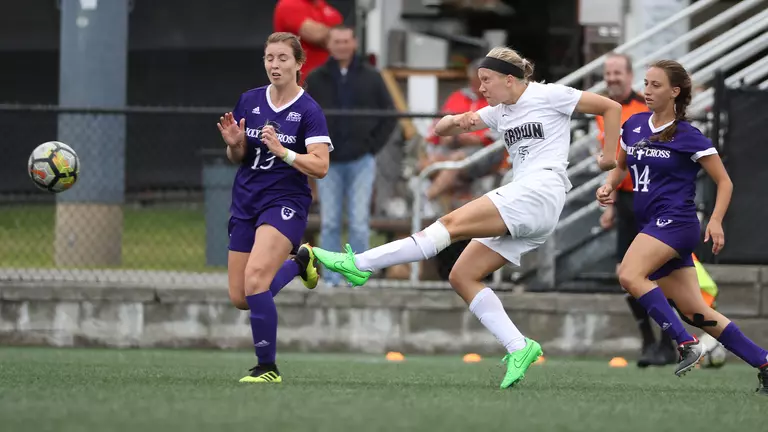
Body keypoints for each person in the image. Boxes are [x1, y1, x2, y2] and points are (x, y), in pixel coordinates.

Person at [311, 46, 622, 389]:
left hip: (541, 191)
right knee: (462, 276)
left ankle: (361, 264)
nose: (482, 87)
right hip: (530, 201)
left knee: (449, 226)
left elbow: (611, 107)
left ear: (509, 78)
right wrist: (457, 121)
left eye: (487, 80)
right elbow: (445, 129)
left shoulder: (549, 94)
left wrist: (609, 157)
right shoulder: (497, 111)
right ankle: (519, 346)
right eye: (480, 81)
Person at [596, 60, 768, 394]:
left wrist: (716, 221)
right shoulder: (632, 125)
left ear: (675, 92)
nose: (647, 90)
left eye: (655, 85)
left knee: (629, 275)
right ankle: (764, 362)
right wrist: (608, 186)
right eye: (645, 83)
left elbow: (725, 182)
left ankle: (685, 343)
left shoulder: (689, 136)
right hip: (653, 224)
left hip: (677, 223)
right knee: (695, 310)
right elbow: (620, 166)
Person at [217, 32, 332, 383]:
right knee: (241, 296)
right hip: (246, 201)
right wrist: (235, 146)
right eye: (269, 58)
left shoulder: (308, 111)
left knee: (256, 279)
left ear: (298, 64)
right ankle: (301, 262)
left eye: (283, 58)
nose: (275, 65)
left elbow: (321, 166)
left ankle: (267, 367)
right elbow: (236, 157)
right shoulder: (249, 101)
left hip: (285, 202)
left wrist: (284, 152)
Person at [595, 52, 678, 367]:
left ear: (629, 76)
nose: (613, 78)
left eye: (618, 72)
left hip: (652, 197)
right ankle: (648, 342)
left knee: (659, 275)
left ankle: (669, 343)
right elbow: (617, 159)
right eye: (609, 73)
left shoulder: (645, 108)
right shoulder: (603, 110)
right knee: (624, 275)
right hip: (626, 201)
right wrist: (610, 202)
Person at [305, 25, 396, 287]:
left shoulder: (372, 77)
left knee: (359, 221)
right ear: (329, 44)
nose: (342, 45)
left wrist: (371, 146)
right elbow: (306, 116)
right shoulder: (317, 78)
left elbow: (389, 115)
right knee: (330, 221)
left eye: (346, 41)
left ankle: (356, 274)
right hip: (328, 163)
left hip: (361, 161)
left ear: (354, 43)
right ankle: (332, 277)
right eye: (337, 41)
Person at [273, 0, 343, 80]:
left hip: (328, 80)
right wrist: (337, 38)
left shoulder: (328, 9)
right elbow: (316, 35)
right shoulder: (289, 4)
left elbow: (341, 40)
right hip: (298, 80)